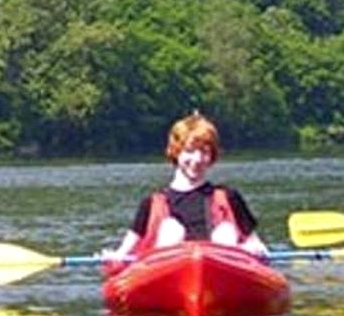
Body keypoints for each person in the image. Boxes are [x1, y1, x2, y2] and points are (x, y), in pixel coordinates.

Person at [103, 111, 269, 262]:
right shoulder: (151, 203)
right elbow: (123, 253)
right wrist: (115, 257)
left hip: (222, 263)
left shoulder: (230, 197)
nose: (197, 159)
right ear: (176, 152)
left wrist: (256, 250)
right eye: (189, 151)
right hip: (168, 265)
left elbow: (255, 244)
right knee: (171, 230)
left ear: (212, 156)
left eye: (204, 152)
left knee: (225, 231)